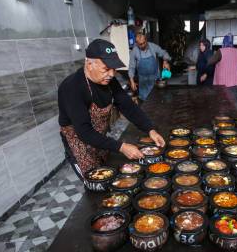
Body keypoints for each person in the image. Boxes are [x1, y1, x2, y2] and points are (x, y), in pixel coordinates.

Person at [58, 39, 165, 182]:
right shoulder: (72, 87)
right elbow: (84, 132)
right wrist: (122, 147)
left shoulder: (109, 82)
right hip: (79, 143)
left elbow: (128, 106)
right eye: (106, 69)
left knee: (109, 176)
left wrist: (150, 129)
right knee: (95, 183)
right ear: (89, 64)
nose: (111, 74)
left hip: (99, 139)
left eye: (113, 69)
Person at [128, 33, 172, 102]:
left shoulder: (153, 46)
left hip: (155, 80)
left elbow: (164, 53)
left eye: (143, 43)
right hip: (143, 82)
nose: (142, 45)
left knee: (157, 100)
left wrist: (165, 61)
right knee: (146, 103)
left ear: (146, 40)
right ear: (137, 43)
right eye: (140, 44)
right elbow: (131, 67)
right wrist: (132, 81)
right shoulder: (134, 51)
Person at [209, 33, 237, 108]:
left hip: (223, 84)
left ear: (224, 41)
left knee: (223, 105)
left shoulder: (220, 51)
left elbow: (210, 62)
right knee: (233, 103)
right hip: (234, 82)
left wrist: (214, 54)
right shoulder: (236, 50)